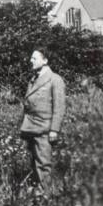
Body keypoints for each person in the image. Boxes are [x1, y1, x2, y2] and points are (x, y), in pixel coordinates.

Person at [20, 48, 66, 193]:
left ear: (45, 60)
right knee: (34, 162)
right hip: (30, 127)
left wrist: (54, 129)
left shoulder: (55, 79)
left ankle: (49, 196)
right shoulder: (33, 79)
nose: (30, 61)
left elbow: (59, 106)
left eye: (34, 58)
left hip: (44, 128)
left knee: (44, 163)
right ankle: (38, 192)